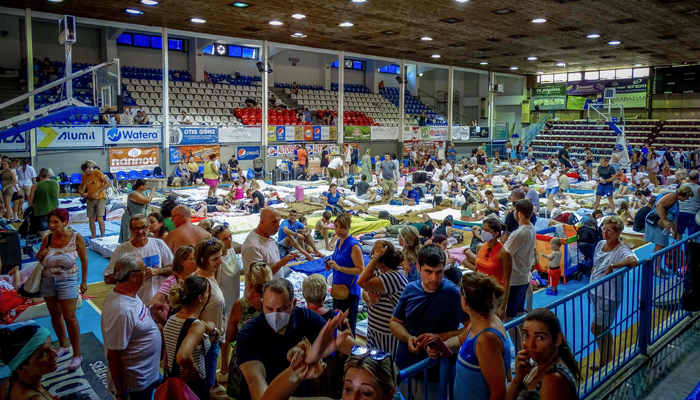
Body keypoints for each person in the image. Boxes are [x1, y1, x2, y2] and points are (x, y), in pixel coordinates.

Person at [236, 278, 360, 400]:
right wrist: (302, 366)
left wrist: (370, 356)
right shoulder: (248, 335)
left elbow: (341, 341)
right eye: (269, 309)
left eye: (282, 309)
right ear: (262, 303)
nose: (275, 315)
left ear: (294, 304)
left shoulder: (305, 317)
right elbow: (259, 392)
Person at [390, 244, 468, 399]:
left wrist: (440, 338)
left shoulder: (452, 293)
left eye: (439, 272)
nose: (434, 278)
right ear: (418, 268)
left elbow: (472, 327)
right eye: (429, 272)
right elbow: (395, 322)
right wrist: (408, 338)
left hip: (436, 373)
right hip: (406, 367)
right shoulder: (410, 289)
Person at [426, 273, 510, 400]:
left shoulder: (486, 338)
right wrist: (440, 347)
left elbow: (498, 393)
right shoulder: (479, 321)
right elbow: (460, 340)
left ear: (464, 301)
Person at [101, 254, 162, 400]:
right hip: (136, 385)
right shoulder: (122, 310)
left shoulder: (127, 294)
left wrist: (150, 311)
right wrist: (123, 393)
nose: (147, 271)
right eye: (143, 269)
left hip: (145, 376)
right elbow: (114, 358)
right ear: (133, 276)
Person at [34, 208, 88, 372]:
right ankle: (64, 345)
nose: (51, 225)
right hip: (48, 280)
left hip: (68, 280)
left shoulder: (75, 238)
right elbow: (40, 259)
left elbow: (84, 260)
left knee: (70, 317)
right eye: (50, 222)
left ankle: (77, 354)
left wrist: (84, 281)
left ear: (65, 222)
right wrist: (40, 255)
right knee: (55, 315)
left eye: (55, 222)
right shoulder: (48, 238)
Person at [588, 216, 639, 371]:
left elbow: (634, 261)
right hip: (595, 292)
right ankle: (607, 361)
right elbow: (595, 265)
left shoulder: (622, 249)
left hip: (609, 296)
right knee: (603, 329)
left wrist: (613, 266)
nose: (605, 232)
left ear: (618, 232)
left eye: (609, 230)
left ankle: (606, 362)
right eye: (603, 228)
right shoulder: (600, 244)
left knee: (597, 329)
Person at [506, 308, 581, 400]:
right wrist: (517, 379)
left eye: (540, 338)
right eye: (527, 335)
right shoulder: (537, 365)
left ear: (557, 340)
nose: (530, 344)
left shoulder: (553, 380)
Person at [163, 275, 215, 400]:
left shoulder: (172, 319)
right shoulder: (196, 326)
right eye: (208, 292)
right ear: (200, 298)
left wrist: (212, 329)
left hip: (173, 379)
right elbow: (183, 356)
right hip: (193, 385)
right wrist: (194, 371)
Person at [104, 214, 174, 303]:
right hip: (133, 303)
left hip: (157, 302)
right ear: (130, 230)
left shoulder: (159, 244)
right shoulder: (122, 249)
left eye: (143, 227)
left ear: (148, 228)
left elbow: (174, 269)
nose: (140, 231)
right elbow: (108, 279)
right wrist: (131, 275)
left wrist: (157, 271)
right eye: (136, 228)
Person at [358, 241, 409, 355]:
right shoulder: (378, 271)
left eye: (373, 256)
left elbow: (361, 281)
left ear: (380, 259)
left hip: (388, 335)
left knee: (385, 368)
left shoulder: (394, 276)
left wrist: (376, 256)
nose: (371, 258)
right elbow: (364, 292)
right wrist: (371, 302)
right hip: (374, 330)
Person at [500, 200, 536, 343]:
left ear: (519, 214)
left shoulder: (518, 233)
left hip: (515, 280)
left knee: (509, 319)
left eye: (514, 211)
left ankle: (520, 351)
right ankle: (524, 348)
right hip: (524, 276)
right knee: (520, 315)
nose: (513, 213)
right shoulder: (531, 227)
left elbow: (503, 254)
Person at [326, 213, 365, 335]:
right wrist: (329, 264)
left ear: (348, 227)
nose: (338, 230)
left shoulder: (352, 245)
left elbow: (360, 269)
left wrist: (339, 268)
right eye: (336, 226)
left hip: (349, 290)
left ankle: (350, 350)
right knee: (338, 321)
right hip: (338, 287)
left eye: (341, 227)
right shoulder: (339, 242)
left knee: (348, 323)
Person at [644, 186, 693, 276]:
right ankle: (656, 269)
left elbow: (674, 217)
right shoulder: (672, 196)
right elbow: (659, 205)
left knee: (663, 245)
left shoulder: (676, 200)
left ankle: (657, 267)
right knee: (660, 245)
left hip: (662, 225)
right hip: (656, 222)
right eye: (687, 196)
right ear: (684, 194)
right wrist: (665, 220)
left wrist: (674, 230)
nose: (687, 199)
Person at [0, 325, 58, 400]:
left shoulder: (7, 385)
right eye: (43, 354)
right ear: (21, 367)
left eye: (51, 345)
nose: (55, 354)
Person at [147, 245, 199, 327]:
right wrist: (166, 324)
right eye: (193, 259)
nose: (197, 261)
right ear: (182, 262)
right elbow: (153, 304)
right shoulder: (171, 281)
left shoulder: (192, 276)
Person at [241, 208, 298, 281]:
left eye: (279, 221)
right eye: (274, 222)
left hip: (275, 287)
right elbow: (260, 278)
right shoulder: (253, 247)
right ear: (262, 221)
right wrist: (281, 263)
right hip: (264, 291)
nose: (278, 226)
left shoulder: (267, 236)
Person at [463, 218, 509, 286]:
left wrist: (504, 296)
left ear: (495, 234)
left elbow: (506, 280)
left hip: (494, 290)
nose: (483, 232)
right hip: (480, 287)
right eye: (482, 229)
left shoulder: (504, 253)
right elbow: (476, 270)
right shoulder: (479, 247)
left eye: (486, 230)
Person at [78, 161, 111, 239]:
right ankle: (93, 236)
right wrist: (81, 191)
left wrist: (98, 190)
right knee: (91, 219)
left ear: (90, 168)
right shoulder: (84, 176)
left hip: (100, 198)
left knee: (100, 219)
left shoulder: (97, 173)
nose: (87, 174)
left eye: (88, 172)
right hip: (90, 198)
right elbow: (82, 185)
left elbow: (108, 184)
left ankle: (103, 236)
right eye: (85, 173)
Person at [118, 179, 155, 243]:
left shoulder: (144, 193)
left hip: (141, 218)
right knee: (130, 237)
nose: (147, 187)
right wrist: (152, 192)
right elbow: (147, 201)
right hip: (131, 218)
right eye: (146, 185)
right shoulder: (133, 194)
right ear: (141, 186)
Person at [27, 168, 58, 235]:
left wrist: (31, 204)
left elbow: (30, 200)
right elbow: (57, 195)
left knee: (44, 231)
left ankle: (45, 245)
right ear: (49, 175)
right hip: (54, 209)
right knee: (55, 230)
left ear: (39, 176)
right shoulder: (56, 183)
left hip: (41, 211)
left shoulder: (35, 185)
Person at [678, 170, 700, 236]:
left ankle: (678, 245)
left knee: (679, 233)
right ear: (698, 179)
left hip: (680, 212)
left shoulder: (683, 186)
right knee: (693, 235)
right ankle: (692, 245)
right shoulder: (698, 188)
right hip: (692, 213)